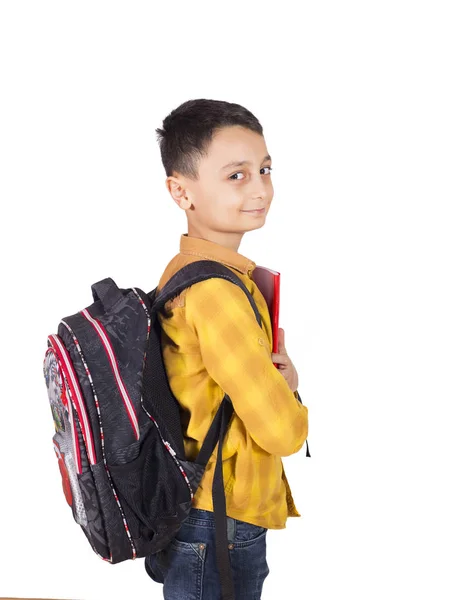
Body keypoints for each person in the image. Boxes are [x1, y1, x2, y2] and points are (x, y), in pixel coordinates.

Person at [144, 98, 309, 599]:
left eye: (265, 169)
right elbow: (281, 431)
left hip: (198, 511)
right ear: (181, 191)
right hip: (220, 521)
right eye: (236, 176)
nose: (260, 188)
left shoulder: (187, 272)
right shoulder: (218, 293)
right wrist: (291, 393)